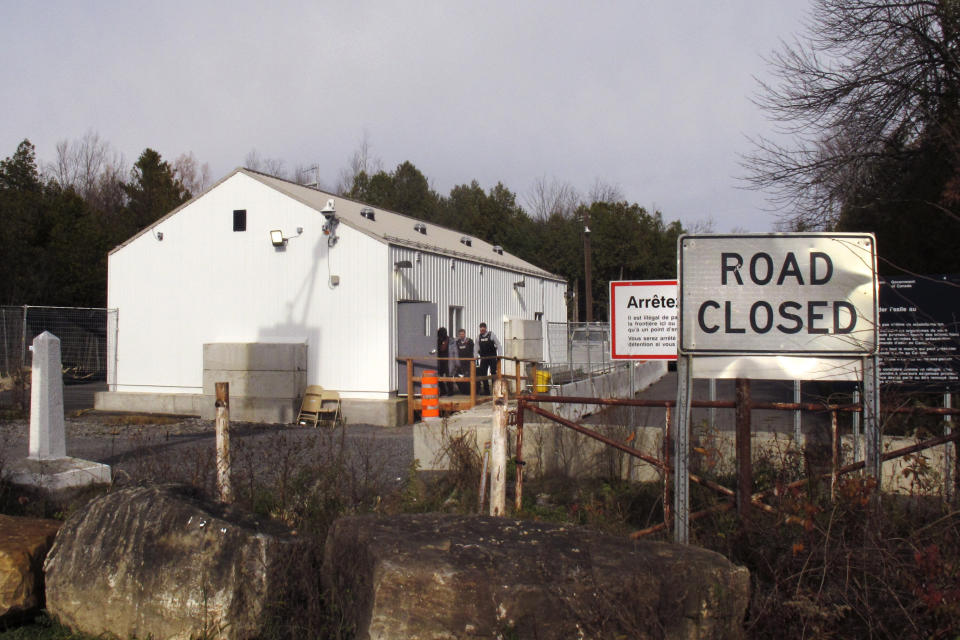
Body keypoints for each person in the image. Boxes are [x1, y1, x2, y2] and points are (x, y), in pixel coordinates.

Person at [476, 322, 502, 395]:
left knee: (493, 373)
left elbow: (498, 344)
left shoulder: (491, 335)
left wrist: (499, 356)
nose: (482, 329)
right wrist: (475, 356)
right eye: (481, 328)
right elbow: (476, 348)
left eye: (483, 328)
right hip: (483, 358)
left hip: (492, 357)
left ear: (485, 328)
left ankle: (495, 391)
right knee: (483, 374)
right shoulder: (479, 337)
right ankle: (486, 391)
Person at [431, 327, 454, 396]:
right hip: (440, 361)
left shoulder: (449, 340)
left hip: (448, 360)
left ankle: (450, 391)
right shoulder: (438, 340)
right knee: (439, 376)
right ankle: (443, 390)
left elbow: (453, 350)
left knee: (448, 376)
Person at [454, 328, 474, 395]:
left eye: (463, 334)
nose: (462, 335)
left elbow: (473, 351)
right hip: (460, 364)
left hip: (468, 363)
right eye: (460, 334)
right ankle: (462, 391)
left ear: (465, 334)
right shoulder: (457, 342)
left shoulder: (470, 341)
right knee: (457, 376)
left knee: (468, 377)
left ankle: (469, 392)